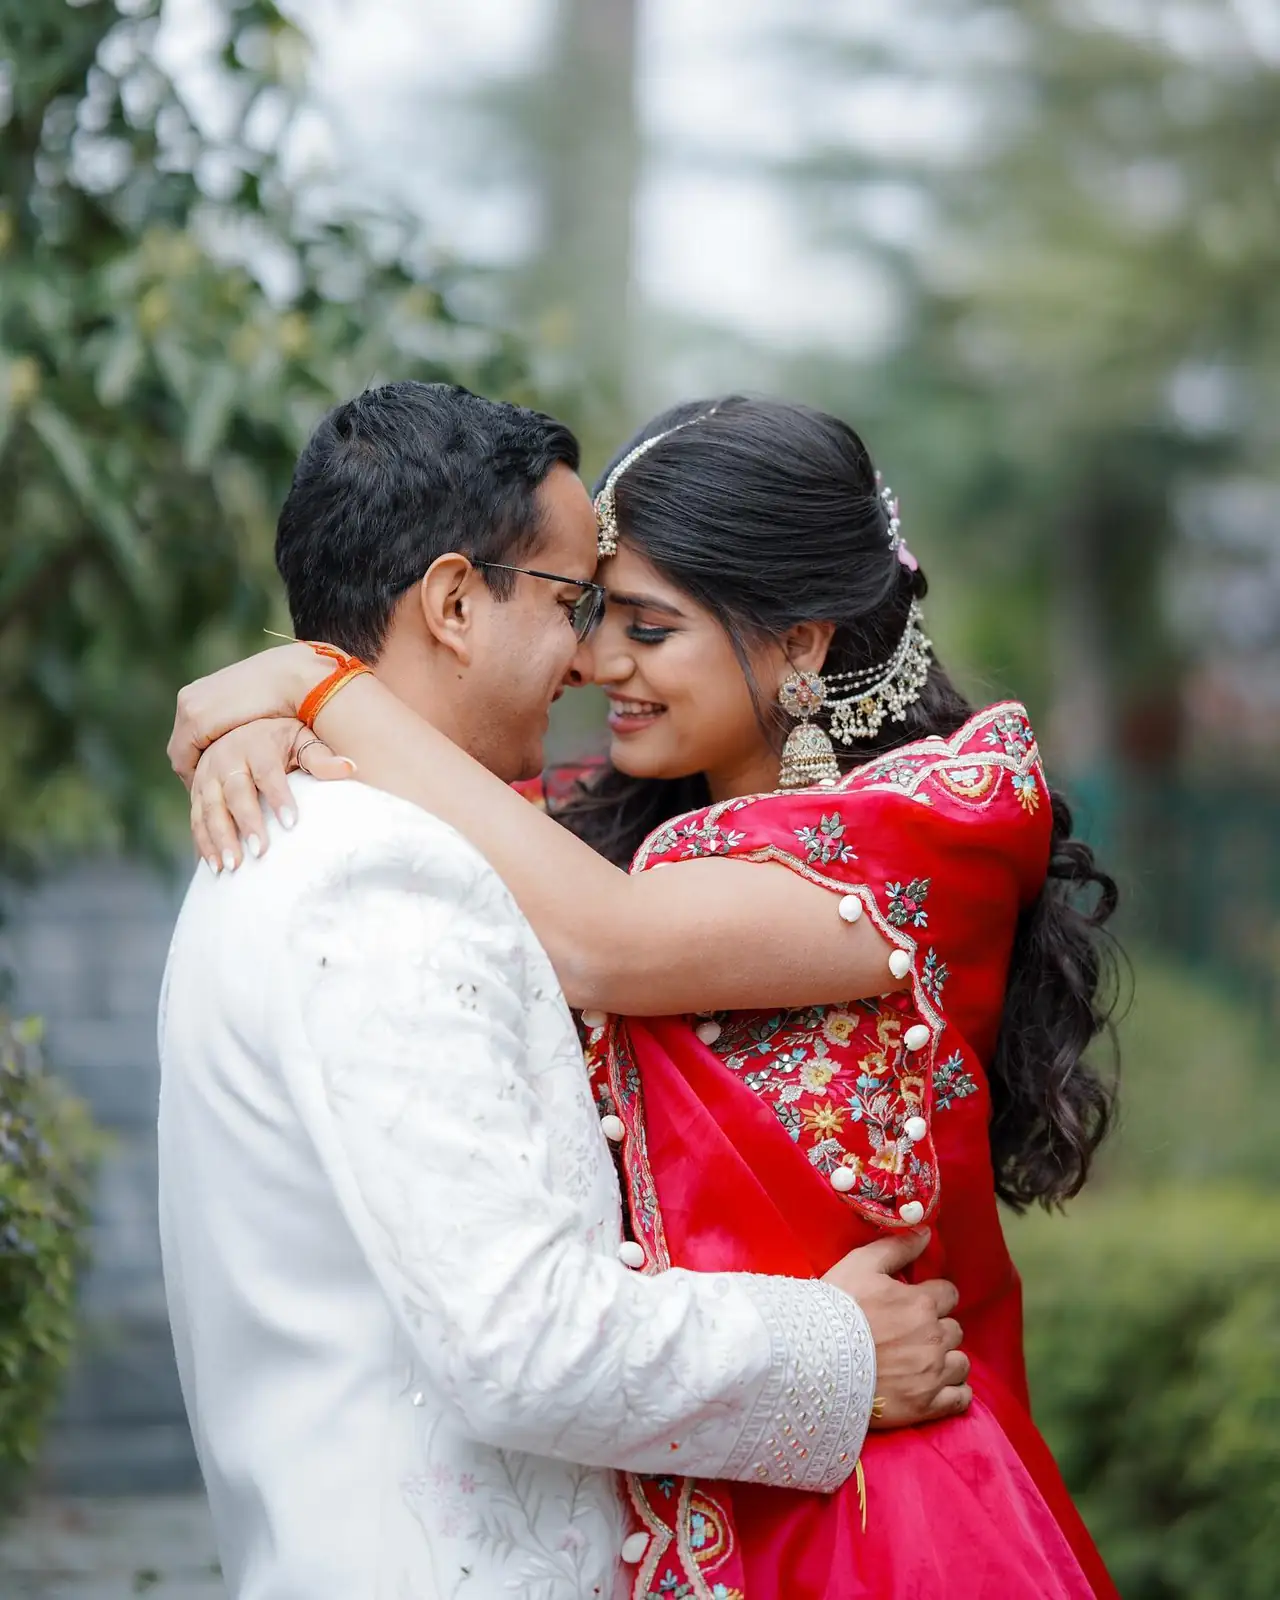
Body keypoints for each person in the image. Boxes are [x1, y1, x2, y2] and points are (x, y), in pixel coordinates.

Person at [157, 383, 973, 1600]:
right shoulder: (379, 877)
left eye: (633, 621)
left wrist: (302, 699)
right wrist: (841, 1350)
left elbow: (605, 928)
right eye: (577, 604)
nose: (591, 660)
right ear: (450, 601)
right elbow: (520, 1341)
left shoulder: (364, 829)